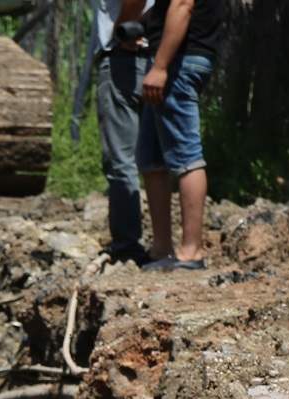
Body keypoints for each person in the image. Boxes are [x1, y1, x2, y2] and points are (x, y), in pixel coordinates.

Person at [137, 0, 225, 272]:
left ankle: (191, 251)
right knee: (151, 157)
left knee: (185, 155)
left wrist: (161, 65)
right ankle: (161, 248)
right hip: (174, 57)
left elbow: (183, 4)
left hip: (179, 61)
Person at [95, 0, 153, 264]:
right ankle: (166, 245)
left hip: (125, 58)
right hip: (155, 56)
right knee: (157, 158)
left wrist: (122, 31)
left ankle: (127, 246)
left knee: (121, 160)